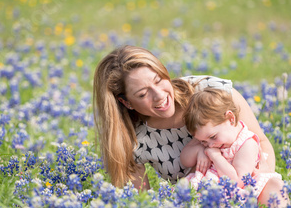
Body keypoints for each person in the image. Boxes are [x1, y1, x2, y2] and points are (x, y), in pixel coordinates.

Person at [93, 45, 278, 191]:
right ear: (127, 103)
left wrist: (257, 184)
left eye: (158, 80)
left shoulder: (211, 92)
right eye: (142, 94)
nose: (159, 95)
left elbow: (260, 140)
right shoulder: (132, 139)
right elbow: (139, 202)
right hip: (199, 206)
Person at [182, 88, 287, 208]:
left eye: (212, 137)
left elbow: (237, 182)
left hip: (240, 194)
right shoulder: (211, 138)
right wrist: (199, 149)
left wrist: (216, 156)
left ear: (230, 118)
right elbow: (185, 160)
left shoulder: (247, 144)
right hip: (212, 189)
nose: (209, 145)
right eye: (203, 141)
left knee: (275, 190)